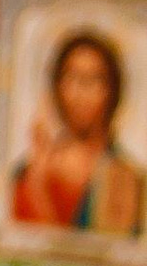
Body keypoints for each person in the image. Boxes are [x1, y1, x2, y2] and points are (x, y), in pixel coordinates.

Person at [9, 27, 145, 237]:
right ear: (57, 87)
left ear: (112, 91)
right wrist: (37, 183)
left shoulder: (129, 180)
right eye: (71, 78)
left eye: (93, 79)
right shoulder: (28, 175)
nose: (80, 92)